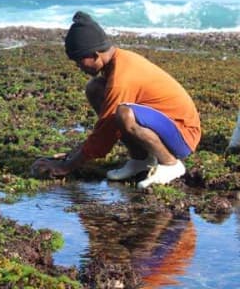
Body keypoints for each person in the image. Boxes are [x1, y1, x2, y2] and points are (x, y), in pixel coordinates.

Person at [31, 11, 201, 189]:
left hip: (183, 135)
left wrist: (67, 166)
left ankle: (170, 165)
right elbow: (107, 125)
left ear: (96, 55)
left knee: (124, 115)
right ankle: (140, 160)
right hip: (163, 125)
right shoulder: (115, 62)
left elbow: (107, 129)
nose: (78, 67)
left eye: (80, 62)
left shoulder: (122, 77)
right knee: (95, 88)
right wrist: (73, 154)